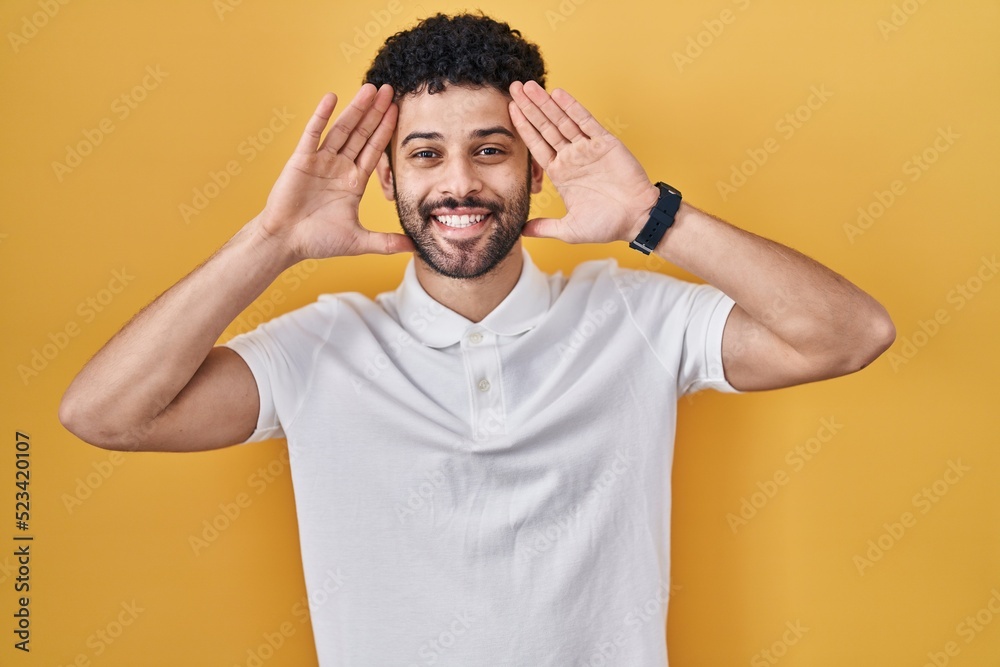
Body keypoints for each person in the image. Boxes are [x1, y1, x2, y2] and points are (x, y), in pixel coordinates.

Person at [59, 12, 894, 666]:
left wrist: (651, 217)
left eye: (490, 150)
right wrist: (273, 241)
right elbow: (104, 413)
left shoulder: (636, 317)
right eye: (426, 154)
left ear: (535, 167)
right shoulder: (318, 348)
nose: (459, 182)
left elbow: (851, 335)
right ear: (386, 177)